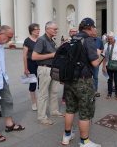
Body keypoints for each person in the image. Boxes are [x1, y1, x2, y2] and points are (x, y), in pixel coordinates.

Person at [61, 18, 101, 147]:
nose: (95, 29)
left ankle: (66, 136)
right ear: (89, 28)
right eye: (94, 27)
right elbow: (95, 63)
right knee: (85, 111)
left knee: (70, 109)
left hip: (69, 80)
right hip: (83, 81)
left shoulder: (73, 38)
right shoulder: (88, 40)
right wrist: (101, 54)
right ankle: (85, 141)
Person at [32, 21, 64, 125]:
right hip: (44, 69)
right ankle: (42, 117)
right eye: (54, 29)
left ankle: (54, 111)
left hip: (53, 69)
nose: (56, 31)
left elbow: (54, 53)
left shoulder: (51, 40)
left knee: (54, 92)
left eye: (57, 29)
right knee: (43, 94)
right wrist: (52, 55)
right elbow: (34, 56)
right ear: (47, 29)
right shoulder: (41, 40)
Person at [103, 31, 117, 100]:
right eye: (108, 39)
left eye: (111, 39)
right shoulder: (106, 45)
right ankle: (109, 93)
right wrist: (103, 66)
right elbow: (104, 56)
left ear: (113, 38)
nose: (110, 40)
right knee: (109, 79)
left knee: (116, 79)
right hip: (109, 64)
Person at [23, 23, 40, 111]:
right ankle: (34, 102)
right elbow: (24, 55)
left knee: (41, 83)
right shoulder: (27, 41)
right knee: (33, 83)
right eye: (36, 29)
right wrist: (26, 68)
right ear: (31, 31)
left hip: (40, 63)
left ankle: (40, 102)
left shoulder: (41, 39)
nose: (38, 31)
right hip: (31, 63)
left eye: (38, 29)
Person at [93, 32, 104, 97]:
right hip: (88, 61)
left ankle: (95, 91)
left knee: (95, 77)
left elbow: (102, 49)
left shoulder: (99, 40)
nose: (94, 34)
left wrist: (99, 51)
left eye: (95, 33)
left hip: (96, 61)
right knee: (88, 77)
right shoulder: (87, 39)